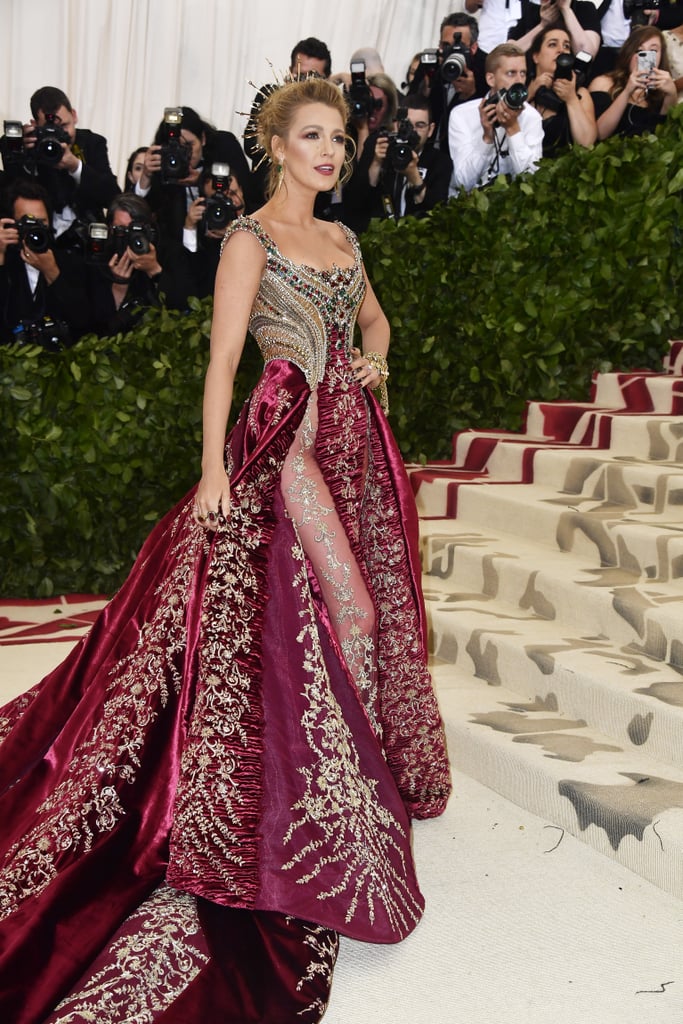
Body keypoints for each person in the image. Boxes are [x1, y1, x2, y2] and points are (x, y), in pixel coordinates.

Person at [0, 76, 451, 1023]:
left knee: (343, 613)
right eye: (313, 137)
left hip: (353, 441)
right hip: (283, 442)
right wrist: (212, 469)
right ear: (277, 145)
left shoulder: (344, 239)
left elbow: (374, 322)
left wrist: (378, 360)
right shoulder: (249, 238)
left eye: (338, 139)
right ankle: (321, 799)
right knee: (352, 612)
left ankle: (341, 777)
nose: (329, 152)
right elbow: (221, 360)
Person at [0, 86, 119, 251]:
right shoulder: (27, 146)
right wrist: (20, 154)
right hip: (38, 241)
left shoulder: (92, 143)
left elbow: (112, 195)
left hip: (84, 241)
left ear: (74, 115)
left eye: (64, 126)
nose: (59, 136)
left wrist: (75, 166)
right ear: (34, 125)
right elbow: (10, 197)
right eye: (48, 130)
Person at [0, 178, 92, 347]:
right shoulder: (5, 261)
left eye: (41, 223)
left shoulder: (70, 261)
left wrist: (52, 273)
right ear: (11, 224)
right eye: (27, 222)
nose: (35, 230)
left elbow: (82, 321)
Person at [343, 94, 453, 231]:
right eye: (406, 125)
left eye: (420, 126)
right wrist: (376, 164)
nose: (412, 132)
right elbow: (354, 202)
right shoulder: (378, 144)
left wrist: (415, 178)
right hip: (376, 234)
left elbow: (439, 213)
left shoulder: (440, 162)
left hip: (417, 238)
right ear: (396, 124)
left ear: (430, 130)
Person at [245, 36, 333, 204]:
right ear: (290, 72)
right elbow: (251, 146)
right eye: (301, 76)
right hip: (263, 200)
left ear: (327, 79)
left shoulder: (331, 112)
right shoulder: (270, 95)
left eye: (314, 78)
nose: (306, 83)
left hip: (310, 207)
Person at [88, 192, 191, 335]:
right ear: (110, 229)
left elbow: (184, 305)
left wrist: (155, 271)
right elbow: (96, 326)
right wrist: (119, 286)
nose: (129, 236)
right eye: (121, 230)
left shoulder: (171, 252)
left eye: (134, 229)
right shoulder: (102, 259)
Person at [448, 42, 544, 193]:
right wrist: (487, 139)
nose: (519, 81)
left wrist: (513, 129)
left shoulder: (532, 117)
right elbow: (463, 182)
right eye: (511, 73)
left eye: (523, 73)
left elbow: (531, 180)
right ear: (491, 79)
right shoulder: (461, 114)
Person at [589, 25, 678, 138]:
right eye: (639, 50)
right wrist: (627, 92)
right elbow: (600, 134)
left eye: (653, 51)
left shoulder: (662, 90)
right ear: (629, 54)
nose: (645, 57)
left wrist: (671, 94)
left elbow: (665, 135)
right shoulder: (603, 83)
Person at [527, 23, 597, 155]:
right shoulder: (523, 91)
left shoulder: (580, 94)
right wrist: (528, 96)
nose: (561, 50)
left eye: (566, 46)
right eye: (553, 44)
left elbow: (587, 144)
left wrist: (571, 100)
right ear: (536, 56)